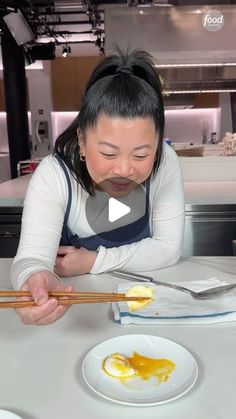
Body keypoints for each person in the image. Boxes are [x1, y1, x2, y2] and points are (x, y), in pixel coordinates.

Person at [11, 48, 185, 325]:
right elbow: (32, 257)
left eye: (141, 155)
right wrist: (34, 279)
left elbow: (168, 248)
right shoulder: (55, 176)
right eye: (108, 153)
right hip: (75, 319)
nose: (124, 169)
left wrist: (92, 261)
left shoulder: (166, 163)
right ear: (81, 140)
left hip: (146, 310)